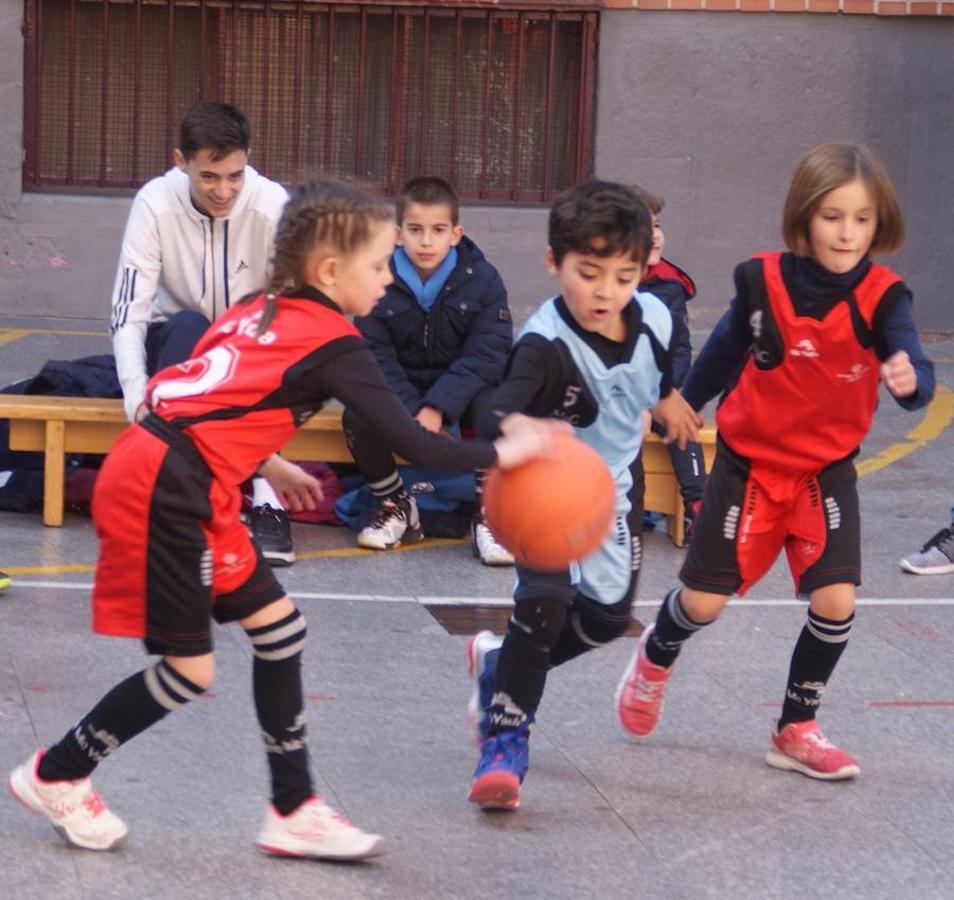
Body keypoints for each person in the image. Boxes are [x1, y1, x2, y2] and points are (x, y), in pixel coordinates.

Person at [8, 181, 556, 856]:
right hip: (169, 487)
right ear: (330, 271)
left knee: (279, 630)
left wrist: (268, 461)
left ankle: (293, 811)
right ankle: (57, 772)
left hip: (174, 469)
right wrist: (507, 449)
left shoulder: (253, 310)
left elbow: (201, 393)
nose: (387, 278)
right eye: (379, 265)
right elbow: (415, 445)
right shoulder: (336, 341)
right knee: (189, 671)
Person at [616, 143, 936, 781]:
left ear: (880, 224)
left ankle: (795, 727)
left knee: (837, 601)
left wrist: (912, 379)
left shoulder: (884, 296)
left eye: (862, 218)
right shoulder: (761, 281)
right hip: (748, 467)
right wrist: (685, 402)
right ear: (803, 217)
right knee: (705, 603)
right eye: (832, 215)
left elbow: (912, 358)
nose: (847, 232)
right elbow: (727, 347)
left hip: (825, 471)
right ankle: (656, 654)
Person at [465, 179, 702, 810]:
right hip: (544, 487)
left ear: (644, 268)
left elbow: (660, 376)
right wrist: (522, 427)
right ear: (554, 262)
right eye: (588, 272)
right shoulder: (545, 345)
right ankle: (506, 738)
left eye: (623, 276)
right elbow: (491, 412)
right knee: (543, 603)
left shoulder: (655, 314)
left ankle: (498, 663)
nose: (605, 291)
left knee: (602, 622)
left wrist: (670, 401)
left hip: (613, 493)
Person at [108, 101, 297, 565]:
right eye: (209, 176)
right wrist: (136, 397)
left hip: (248, 353)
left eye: (235, 175)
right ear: (181, 161)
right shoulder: (154, 201)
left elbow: (297, 312)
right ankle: (181, 500)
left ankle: (266, 500)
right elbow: (127, 312)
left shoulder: (274, 206)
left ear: (248, 158)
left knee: (261, 336)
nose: (224, 190)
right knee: (190, 325)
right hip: (179, 345)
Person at [344, 176, 516, 565]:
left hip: (462, 391)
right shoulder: (377, 277)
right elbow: (372, 354)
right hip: (401, 387)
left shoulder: (483, 279)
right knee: (358, 411)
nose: (426, 242)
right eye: (416, 230)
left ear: (456, 234)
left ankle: (489, 514)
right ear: (397, 234)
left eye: (437, 231)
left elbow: (490, 352)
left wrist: (439, 406)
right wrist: (410, 410)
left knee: (501, 404)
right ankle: (395, 504)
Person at [635, 187, 707, 535]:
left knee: (682, 420)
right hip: (614, 394)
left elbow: (679, 352)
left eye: (658, 226)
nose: (656, 237)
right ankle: (624, 508)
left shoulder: (669, 286)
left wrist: (659, 398)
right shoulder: (602, 284)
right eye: (644, 229)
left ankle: (698, 506)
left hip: (660, 390)